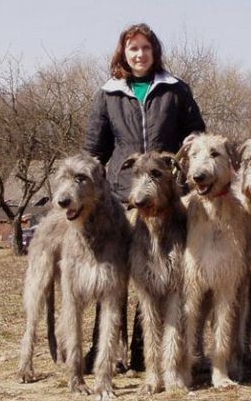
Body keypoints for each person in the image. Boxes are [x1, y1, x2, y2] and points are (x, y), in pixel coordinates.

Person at [83, 22, 205, 373]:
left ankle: (143, 353)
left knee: (161, 277)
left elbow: (196, 132)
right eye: (132, 48)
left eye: (145, 48)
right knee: (118, 274)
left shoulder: (175, 90)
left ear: (155, 52)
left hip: (169, 199)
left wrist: (190, 150)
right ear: (123, 52)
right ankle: (103, 350)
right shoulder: (108, 93)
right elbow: (95, 150)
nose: (139, 54)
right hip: (125, 199)